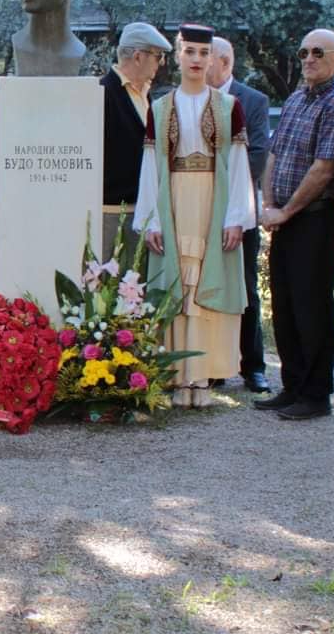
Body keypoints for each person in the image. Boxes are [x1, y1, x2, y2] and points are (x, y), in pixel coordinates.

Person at [132, 24, 254, 407]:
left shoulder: (228, 107)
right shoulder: (159, 107)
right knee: (177, 285)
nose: (197, 60)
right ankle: (173, 374)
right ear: (178, 57)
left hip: (212, 203)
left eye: (204, 53)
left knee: (205, 283)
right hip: (173, 203)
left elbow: (237, 163)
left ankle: (200, 376)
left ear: (213, 59)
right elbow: (150, 167)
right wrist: (151, 219)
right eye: (190, 52)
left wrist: (237, 216)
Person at [257, 28, 334, 421]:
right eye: (303, 52)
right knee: (283, 305)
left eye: (319, 52)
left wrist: (285, 212)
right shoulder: (298, 97)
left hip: (314, 220)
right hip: (283, 217)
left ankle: (316, 394)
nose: (309, 59)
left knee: (310, 307)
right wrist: (268, 204)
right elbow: (275, 153)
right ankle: (293, 385)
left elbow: (323, 169)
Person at [207, 36, 272, 392]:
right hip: (198, 214)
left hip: (239, 212)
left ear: (226, 62)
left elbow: (258, 156)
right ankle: (213, 363)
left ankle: (253, 366)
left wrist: (215, 186)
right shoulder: (192, 100)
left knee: (245, 288)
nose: (198, 63)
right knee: (206, 288)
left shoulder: (254, 101)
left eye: (206, 57)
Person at [100, 23, 173, 258]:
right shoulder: (102, 93)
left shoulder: (146, 94)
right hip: (111, 213)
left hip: (145, 213)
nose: (161, 63)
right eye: (158, 56)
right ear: (138, 56)